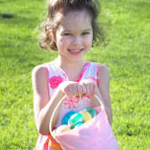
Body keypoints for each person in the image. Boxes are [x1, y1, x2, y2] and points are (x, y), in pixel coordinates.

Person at [32, 0, 112, 149]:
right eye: (68, 34)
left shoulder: (100, 72)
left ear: (93, 32)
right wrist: (60, 92)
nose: (77, 42)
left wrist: (95, 93)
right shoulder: (43, 73)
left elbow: (107, 123)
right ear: (52, 34)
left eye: (85, 33)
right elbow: (43, 128)